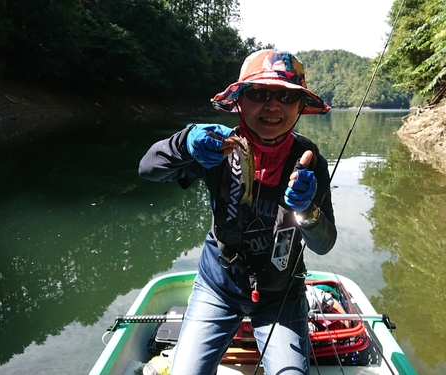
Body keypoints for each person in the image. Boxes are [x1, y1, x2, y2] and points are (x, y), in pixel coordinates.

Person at [138, 49, 338, 375]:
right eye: (259, 93)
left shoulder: (310, 160)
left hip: (281, 294)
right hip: (218, 285)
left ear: (300, 106)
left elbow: (324, 244)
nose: (272, 105)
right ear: (240, 101)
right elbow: (148, 169)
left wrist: (308, 211)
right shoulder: (216, 146)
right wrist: (184, 141)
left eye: (286, 97)